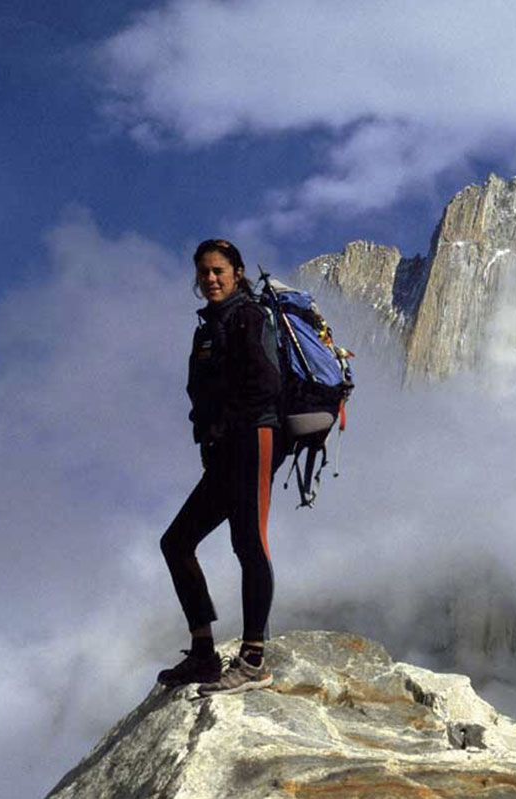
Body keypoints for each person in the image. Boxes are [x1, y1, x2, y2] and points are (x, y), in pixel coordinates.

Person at [157, 238, 285, 695]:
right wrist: (207, 435)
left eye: (218, 271)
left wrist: (228, 425)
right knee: (176, 542)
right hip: (223, 450)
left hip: (254, 439)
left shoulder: (249, 316)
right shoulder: (207, 328)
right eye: (204, 272)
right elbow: (200, 395)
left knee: (249, 542)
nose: (210, 279)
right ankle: (204, 654)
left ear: (236, 272)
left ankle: (253, 660)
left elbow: (266, 382)